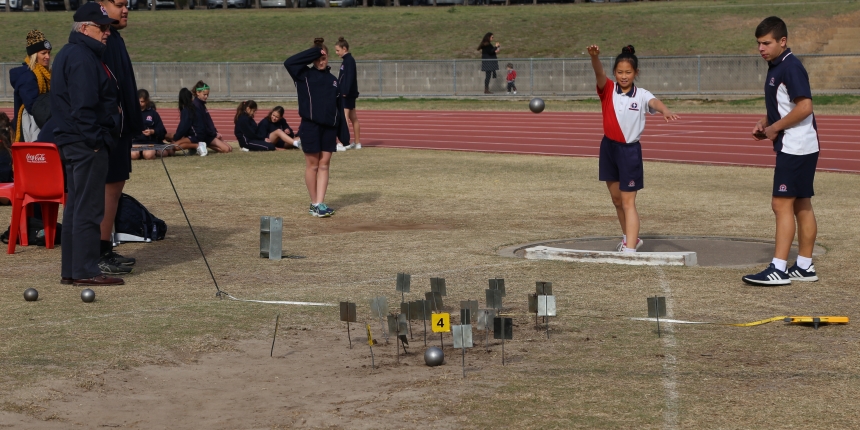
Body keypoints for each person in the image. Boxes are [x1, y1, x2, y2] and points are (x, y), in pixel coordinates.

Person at [743, 17, 821, 286]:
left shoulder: (791, 67)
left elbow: (805, 107)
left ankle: (778, 268)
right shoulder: (776, 66)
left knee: (781, 204)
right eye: (758, 43)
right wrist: (766, 122)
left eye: (766, 43)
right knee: (801, 205)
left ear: (782, 42)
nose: (761, 48)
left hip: (796, 146)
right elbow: (786, 104)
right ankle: (804, 266)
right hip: (800, 145)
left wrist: (775, 128)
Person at [51, 3, 124, 286]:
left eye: (108, 27)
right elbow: (84, 107)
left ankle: (72, 270)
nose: (107, 33)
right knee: (89, 208)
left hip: (75, 141)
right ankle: (85, 270)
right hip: (85, 144)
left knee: (76, 207)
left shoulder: (74, 53)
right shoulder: (82, 57)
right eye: (102, 27)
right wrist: (96, 140)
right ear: (84, 28)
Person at [587, 44, 679, 253]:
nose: (624, 76)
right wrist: (594, 58)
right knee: (617, 200)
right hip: (608, 148)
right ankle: (630, 238)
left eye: (628, 72)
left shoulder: (641, 95)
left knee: (628, 201)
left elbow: (654, 102)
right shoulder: (608, 89)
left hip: (629, 152)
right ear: (614, 73)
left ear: (636, 73)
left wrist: (665, 110)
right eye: (620, 72)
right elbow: (598, 72)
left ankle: (629, 251)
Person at [96, 0, 142, 276]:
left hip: (120, 129)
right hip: (110, 130)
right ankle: (100, 251)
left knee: (114, 186)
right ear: (101, 5)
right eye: (119, 4)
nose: (125, 10)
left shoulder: (115, 39)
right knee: (108, 188)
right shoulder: (103, 42)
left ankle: (104, 247)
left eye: (128, 4)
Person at [284, 38, 350, 218]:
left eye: (324, 58)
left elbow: (339, 109)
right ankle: (314, 203)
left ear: (328, 57)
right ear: (313, 58)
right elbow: (289, 62)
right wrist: (315, 51)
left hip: (329, 129)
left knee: (324, 165)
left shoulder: (333, 80)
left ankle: (320, 203)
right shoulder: (303, 75)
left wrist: (343, 134)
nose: (321, 62)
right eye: (318, 58)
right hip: (310, 127)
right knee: (312, 165)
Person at [10, 29, 52, 143]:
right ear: (34, 55)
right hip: (30, 128)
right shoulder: (27, 77)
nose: (47, 56)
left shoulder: (47, 74)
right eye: (43, 53)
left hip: (42, 124)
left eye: (48, 53)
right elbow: (33, 108)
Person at [192, 81, 233, 154]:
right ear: (198, 92)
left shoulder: (202, 104)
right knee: (226, 149)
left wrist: (216, 132)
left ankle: (205, 145)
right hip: (204, 135)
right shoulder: (196, 105)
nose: (206, 96)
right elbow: (202, 124)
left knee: (230, 148)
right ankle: (202, 145)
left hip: (209, 134)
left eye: (207, 95)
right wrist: (213, 134)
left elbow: (209, 121)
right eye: (204, 94)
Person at [335, 37, 361, 151]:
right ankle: (357, 143)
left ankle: (344, 142)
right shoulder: (346, 60)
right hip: (349, 93)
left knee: (344, 117)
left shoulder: (349, 60)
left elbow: (349, 77)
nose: (336, 53)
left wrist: (345, 91)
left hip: (347, 94)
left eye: (337, 50)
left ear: (344, 49)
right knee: (353, 117)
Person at [131, 89, 171, 160]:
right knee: (133, 155)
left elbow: (162, 131)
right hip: (135, 142)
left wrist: (152, 131)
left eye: (142, 101)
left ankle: (155, 152)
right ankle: (141, 153)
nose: (139, 103)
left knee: (148, 155)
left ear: (146, 101)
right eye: (138, 101)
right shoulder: (132, 113)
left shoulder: (153, 113)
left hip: (150, 142)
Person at [172, 88, 208, 156]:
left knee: (175, 146)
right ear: (191, 98)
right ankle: (193, 148)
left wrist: (176, 138)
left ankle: (197, 146)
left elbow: (183, 127)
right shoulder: (194, 108)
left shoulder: (186, 110)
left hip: (196, 136)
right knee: (169, 136)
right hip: (198, 134)